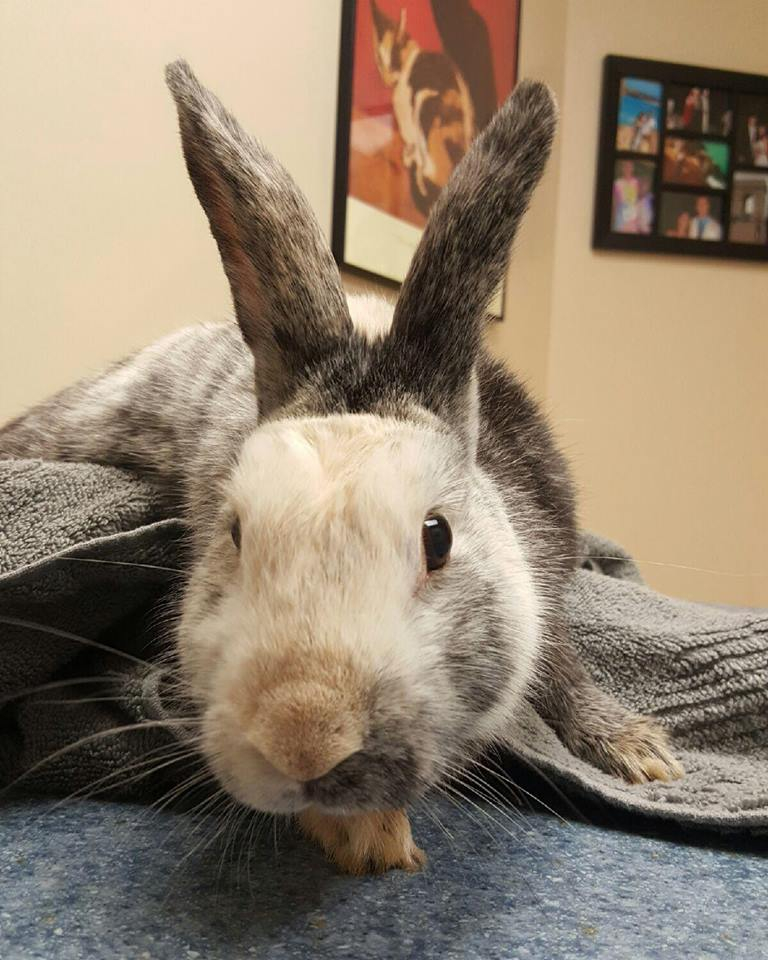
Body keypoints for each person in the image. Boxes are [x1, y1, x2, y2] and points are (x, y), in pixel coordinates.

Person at [612, 160, 640, 231]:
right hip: (620, 218)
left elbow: (638, 201)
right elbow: (615, 202)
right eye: (625, 166)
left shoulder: (636, 182)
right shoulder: (617, 183)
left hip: (633, 219)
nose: (627, 168)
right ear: (622, 168)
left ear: (633, 168)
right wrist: (614, 216)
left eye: (629, 166)